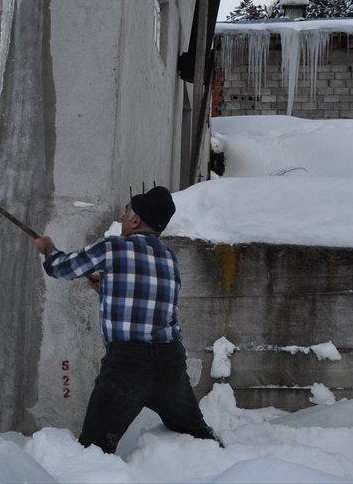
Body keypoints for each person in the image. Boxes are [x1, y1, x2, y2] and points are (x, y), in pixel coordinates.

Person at [34, 185, 221, 454]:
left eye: (126, 213)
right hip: (170, 362)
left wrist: (48, 250)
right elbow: (154, 300)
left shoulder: (114, 248)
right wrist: (108, 284)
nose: (122, 217)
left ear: (134, 221)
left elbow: (62, 268)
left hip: (128, 364)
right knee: (198, 437)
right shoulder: (169, 258)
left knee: (93, 449)